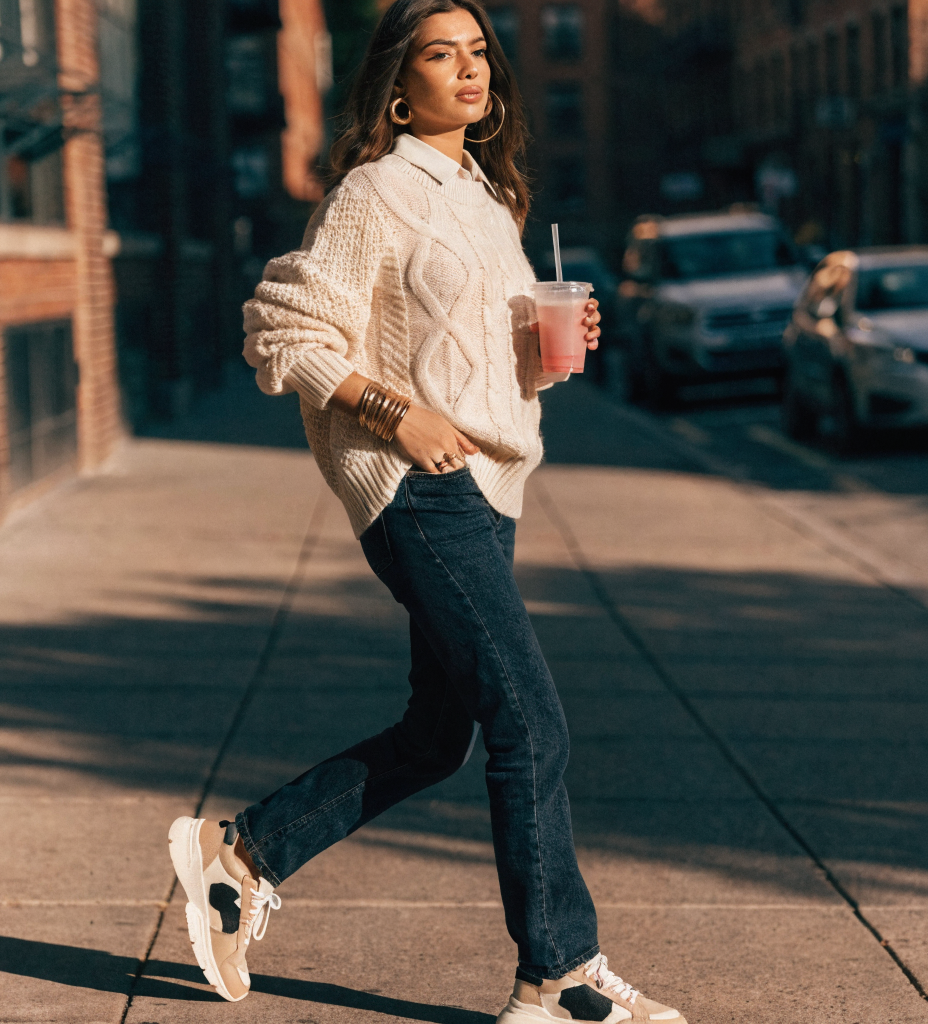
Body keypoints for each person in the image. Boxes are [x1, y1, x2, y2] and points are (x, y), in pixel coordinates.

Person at [167, 1, 687, 1020]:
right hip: (419, 495)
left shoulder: (490, 201)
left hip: (484, 491)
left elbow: (484, 370)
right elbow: (283, 332)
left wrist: (547, 346)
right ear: (400, 84)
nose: (470, 68)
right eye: (441, 53)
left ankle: (241, 853)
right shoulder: (375, 191)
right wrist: (392, 412)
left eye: (480, 51)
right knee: (529, 721)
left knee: (436, 731)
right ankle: (559, 975)